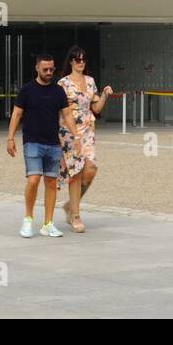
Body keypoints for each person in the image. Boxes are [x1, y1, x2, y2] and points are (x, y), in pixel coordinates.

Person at [6, 53, 79, 238]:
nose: (48, 72)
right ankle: (28, 219)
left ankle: (48, 223)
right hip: (32, 142)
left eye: (51, 69)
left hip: (53, 144)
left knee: (51, 183)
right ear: (37, 68)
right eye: (45, 69)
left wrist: (76, 136)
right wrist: (10, 138)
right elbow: (16, 114)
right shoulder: (27, 90)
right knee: (33, 180)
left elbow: (68, 115)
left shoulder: (58, 91)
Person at [57, 46, 112, 233]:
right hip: (69, 131)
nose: (81, 62)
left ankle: (71, 206)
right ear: (71, 61)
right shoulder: (63, 83)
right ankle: (76, 215)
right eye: (77, 59)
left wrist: (104, 94)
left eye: (83, 59)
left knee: (91, 169)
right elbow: (58, 108)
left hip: (87, 130)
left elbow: (96, 108)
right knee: (76, 173)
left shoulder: (90, 81)